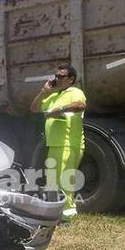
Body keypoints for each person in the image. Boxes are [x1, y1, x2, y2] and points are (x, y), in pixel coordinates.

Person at [29, 65, 86, 221]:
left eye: (60, 76)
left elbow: (80, 105)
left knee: (64, 181)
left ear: (70, 79)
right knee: (53, 181)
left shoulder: (75, 92)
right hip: (54, 144)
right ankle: (56, 213)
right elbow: (34, 108)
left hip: (68, 144)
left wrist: (58, 109)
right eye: (56, 76)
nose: (56, 79)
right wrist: (44, 91)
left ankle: (67, 216)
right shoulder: (54, 95)